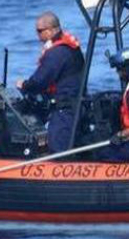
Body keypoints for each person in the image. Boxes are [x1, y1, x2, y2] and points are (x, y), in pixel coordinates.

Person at [17, 12, 85, 153]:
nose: (37, 35)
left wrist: (24, 85)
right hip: (74, 105)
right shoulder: (69, 47)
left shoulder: (57, 52)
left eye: (39, 31)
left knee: (58, 148)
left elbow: (40, 81)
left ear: (50, 30)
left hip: (64, 110)